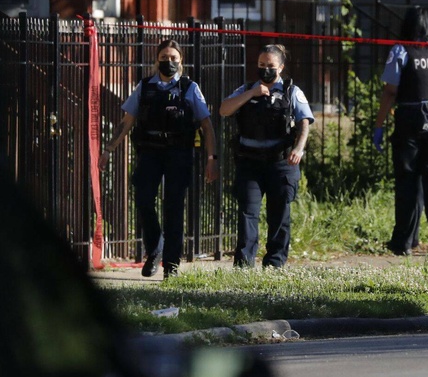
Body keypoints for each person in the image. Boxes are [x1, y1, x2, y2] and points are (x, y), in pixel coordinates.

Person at [101, 39, 219, 278]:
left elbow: (207, 125)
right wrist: (109, 149)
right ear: (156, 60)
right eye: (164, 57)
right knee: (144, 199)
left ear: (181, 61)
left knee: (174, 207)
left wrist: (211, 158)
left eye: (173, 58)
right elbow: (127, 122)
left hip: (179, 152)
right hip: (150, 151)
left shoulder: (189, 87)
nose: (169, 62)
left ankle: (171, 266)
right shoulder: (145, 87)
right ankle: (155, 248)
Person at [220, 44, 314, 268]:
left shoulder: (292, 91)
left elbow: (305, 123)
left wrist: (298, 149)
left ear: (281, 67)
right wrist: (251, 93)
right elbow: (224, 109)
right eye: (261, 65)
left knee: (279, 214)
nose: (265, 70)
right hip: (249, 162)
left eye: (271, 66)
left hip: (280, 163)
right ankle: (244, 264)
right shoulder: (246, 89)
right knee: (247, 212)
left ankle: (274, 263)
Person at [372, 5, 428, 256]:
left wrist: (379, 125)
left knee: (407, 182)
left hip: (411, 121)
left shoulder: (401, 50)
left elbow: (390, 91)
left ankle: (404, 241)